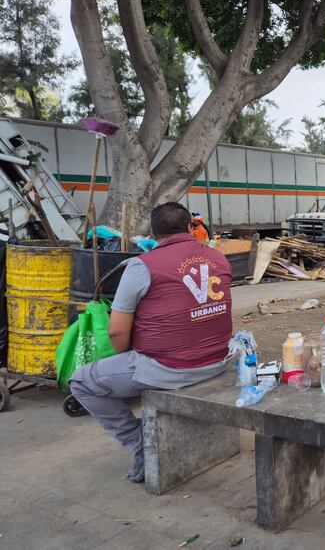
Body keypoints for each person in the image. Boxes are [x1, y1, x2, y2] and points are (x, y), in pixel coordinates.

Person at [69, 202, 233, 483]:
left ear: (152, 233)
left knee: (82, 381)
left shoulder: (140, 266)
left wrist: (130, 360)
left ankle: (141, 445)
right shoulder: (219, 260)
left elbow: (117, 333)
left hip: (170, 367)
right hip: (220, 361)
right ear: (190, 228)